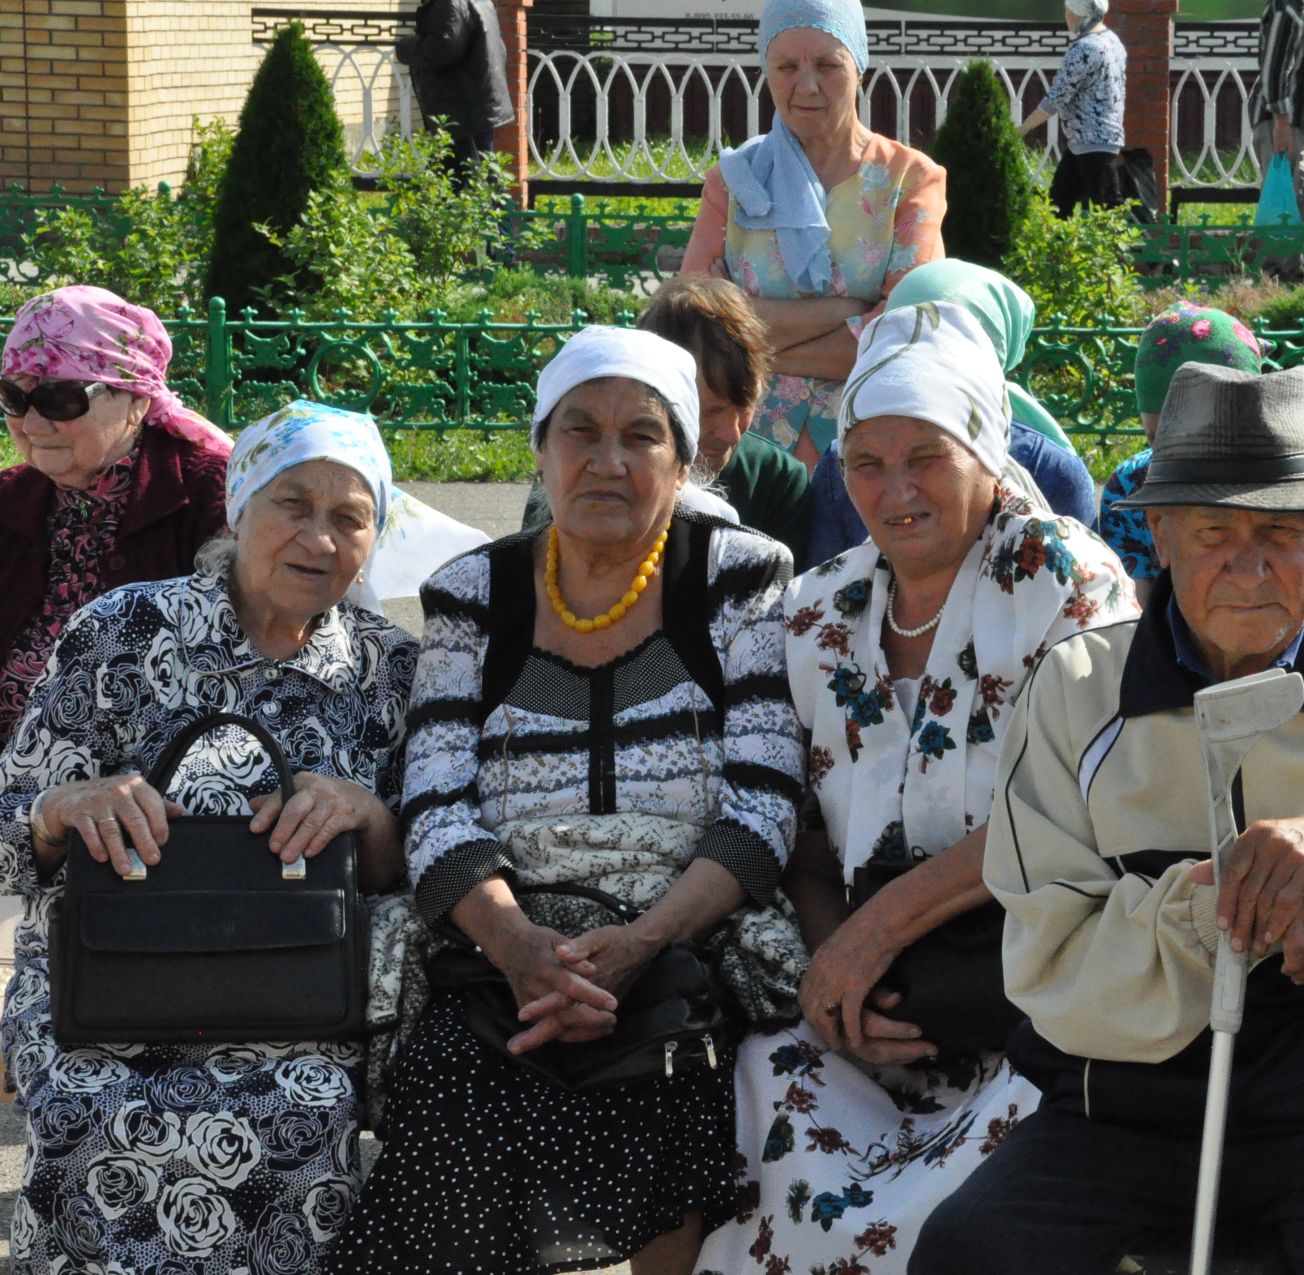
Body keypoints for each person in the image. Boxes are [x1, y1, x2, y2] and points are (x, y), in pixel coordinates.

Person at [913, 361, 1304, 1275]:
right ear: (1160, 535)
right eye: (1214, 531)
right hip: (1119, 1106)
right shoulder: (1076, 692)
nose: (1248, 565)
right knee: (970, 1254)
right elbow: (1046, 947)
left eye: (1283, 531)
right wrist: (1210, 905)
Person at [333, 327, 808, 1274]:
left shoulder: (739, 576)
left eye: (642, 435)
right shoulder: (477, 591)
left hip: (686, 931)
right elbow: (436, 803)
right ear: (541, 450)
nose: (608, 459)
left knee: (679, 1083)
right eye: (580, 431)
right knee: (457, 1097)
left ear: (684, 460)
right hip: (503, 940)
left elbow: (764, 801)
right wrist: (517, 949)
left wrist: (638, 945)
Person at [697, 302, 1136, 1275]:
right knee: (766, 1077)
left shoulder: (1065, 581)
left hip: (1030, 1001)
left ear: (985, 450)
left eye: (926, 456)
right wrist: (831, 979)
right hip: (873, 999)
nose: (895, 491)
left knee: (994, 1178)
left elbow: (1076, 808)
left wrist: (875, 932)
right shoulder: (817, 611)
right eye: (866, 461)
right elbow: (806, 840)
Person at [0, 401, 418, 1273]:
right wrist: (61, 809)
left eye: (351, 517)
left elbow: (413, 867)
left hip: (303, 1007)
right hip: (104, 1001)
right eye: (291, 505)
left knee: (309, 1113)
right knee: (88, 1107)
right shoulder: (122, 631)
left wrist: (370, 817)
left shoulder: (389, 669)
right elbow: (10, 831)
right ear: (237, 507)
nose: (319, 537)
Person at [682, 0, 947, 471]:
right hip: (747, 457)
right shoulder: (734, 182)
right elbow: (694, 327)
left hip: (872, 453)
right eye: (786, 66)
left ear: (859, 67)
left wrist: (748, 341)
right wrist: (848, 312)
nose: (806, 85)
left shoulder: (908, 180)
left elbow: (899, 335)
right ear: (767, 70)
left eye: (828, 64)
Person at [0, 285, 233, 742]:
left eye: (59, 400)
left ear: (137, 402)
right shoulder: (9, 497)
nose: (29, 425)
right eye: (13, 396)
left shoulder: (216, 495)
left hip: (150, 787)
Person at [804, 260, 1099, 568]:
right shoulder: (844, 462)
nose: (898, 493)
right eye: (911, 329)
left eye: (925, 459)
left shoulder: (1051, 468)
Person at [521, 277, 813, 562]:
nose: (732, 433)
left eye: (746, 407)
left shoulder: (778, 478)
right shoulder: (575, 474)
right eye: (707, 411)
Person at [1098, 301, 1304, 600]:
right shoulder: (1130, 488)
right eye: (1158, 441)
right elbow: (1136, 617)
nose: (1178, 458)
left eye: (1203, 439)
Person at [1021, 0, 1129, 219]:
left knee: (1106, 211)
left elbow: (1056, 98)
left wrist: (1023, 129)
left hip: (1092, 141)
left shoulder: (1085, 48)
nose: (1066, 16)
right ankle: (1060, 250)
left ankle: (1125, 252)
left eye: (1068, 10)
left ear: (1079, 13)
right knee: (1059, 203)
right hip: (1093, 140)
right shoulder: (1113, 41)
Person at [395, 0, 514, 183]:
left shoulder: (449, 3)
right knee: (462, 179)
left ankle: (488, 210)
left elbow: (443, 48)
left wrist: (406, 48)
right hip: (471, 105)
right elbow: (501, 48)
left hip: (463, 109)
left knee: (474, 180)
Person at [1254, 0, 1304, 217]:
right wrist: (1281, 124)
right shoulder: (1285, 9)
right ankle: (1279, 252)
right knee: (1283, 204)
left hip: (1295, 120)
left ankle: (1290, 251)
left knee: (1297, 197)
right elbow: (1274, 70)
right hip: (1282, 120)